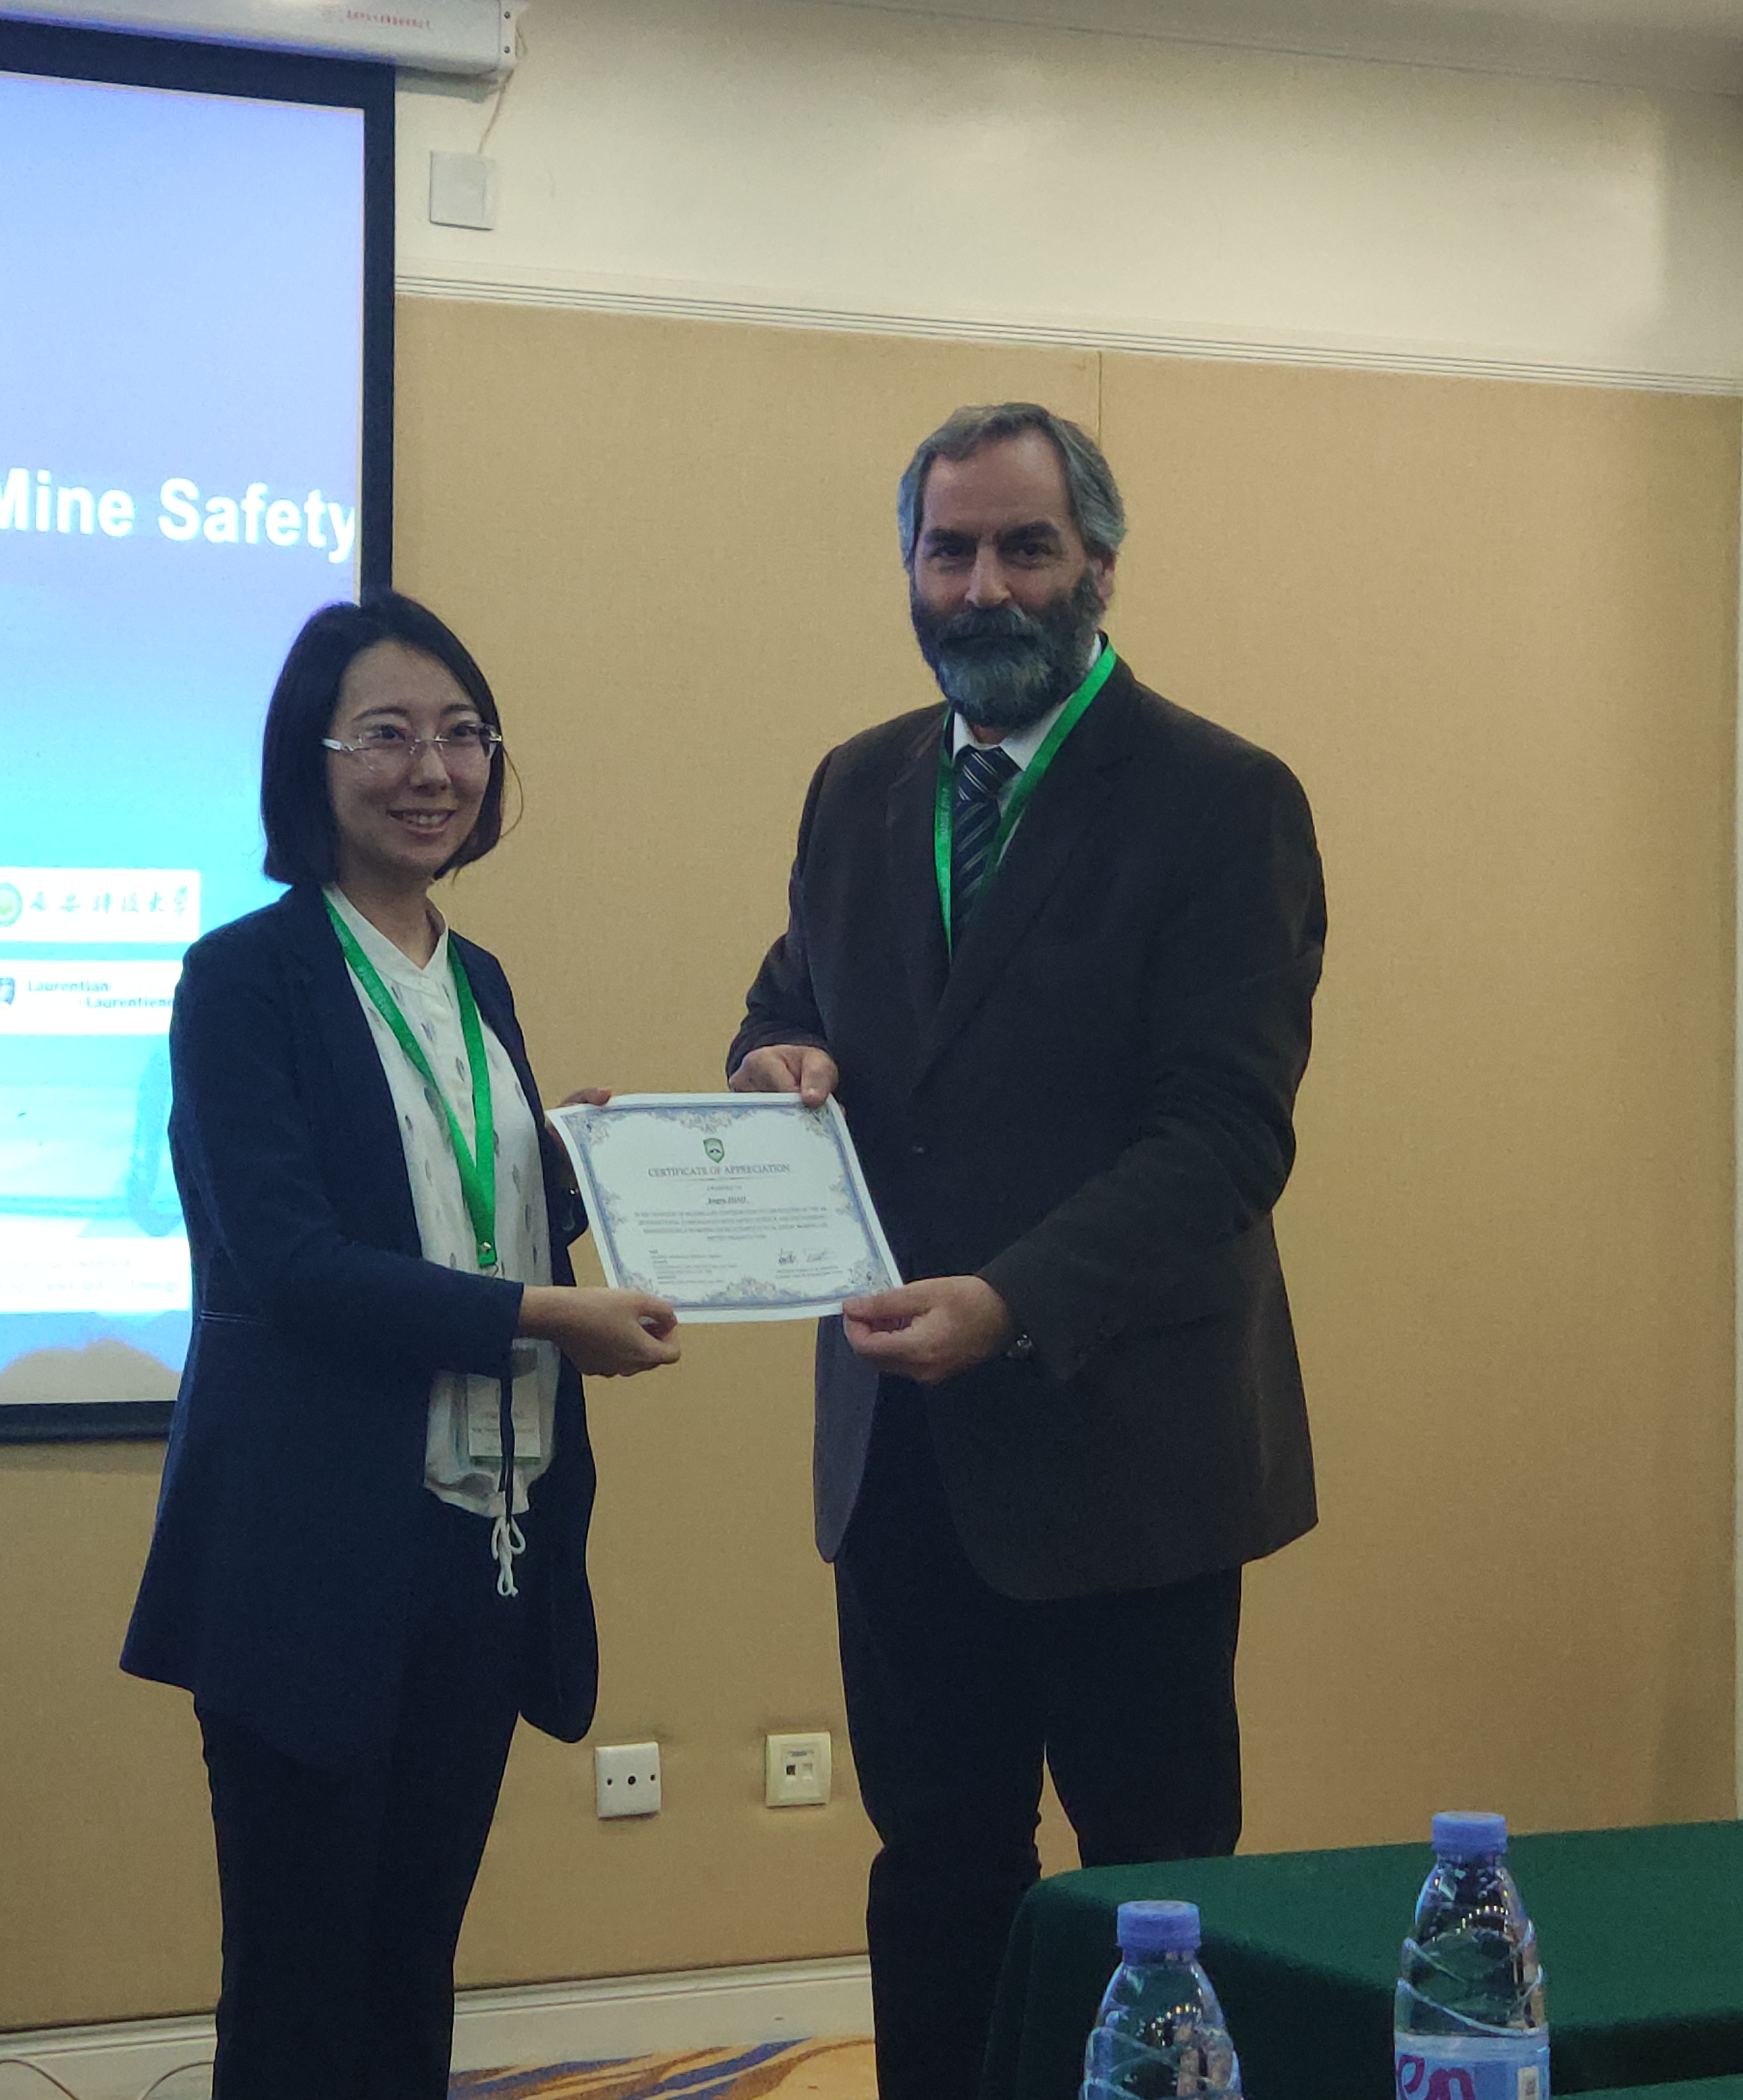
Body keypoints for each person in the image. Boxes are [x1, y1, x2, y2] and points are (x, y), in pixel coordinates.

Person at [726, 404, 1325, 2097]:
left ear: (1100, 567)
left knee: (1157, 1890)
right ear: (912, 569)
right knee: (936, 1877)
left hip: (1124, 1457)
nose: (983, 587)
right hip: (901, 1459)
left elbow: (1225, 1138)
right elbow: (789, 1004)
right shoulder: (858, 786)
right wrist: (771, 1061)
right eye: (950, 550)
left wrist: (1013, 1303)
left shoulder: (1223, 800)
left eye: (1024, 547)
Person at [122, 591, 681, 2099]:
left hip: (481, 1541)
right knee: (301, 1986)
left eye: (461, 733)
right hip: (310, 1554)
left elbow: (455, 1210)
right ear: (310, 763)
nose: (431, 770)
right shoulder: (243, 979)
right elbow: (296, 1268)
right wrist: (547, 1317)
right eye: (385, 735)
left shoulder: (476, 978)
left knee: (412, 1961)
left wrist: (598, 1169)